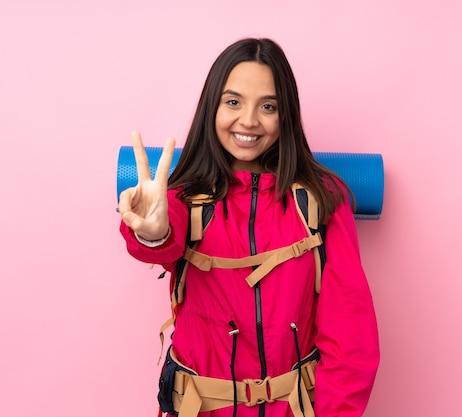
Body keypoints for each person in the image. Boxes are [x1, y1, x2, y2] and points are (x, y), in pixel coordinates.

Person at [119, 38, 379, 417]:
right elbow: (158, 241)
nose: (249, 121)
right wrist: (152, 231)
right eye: (233, 102)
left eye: (268, 106)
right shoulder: (181, 198)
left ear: (285, 114)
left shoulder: (323, 199)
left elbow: (351, 339)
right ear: (213, 107)